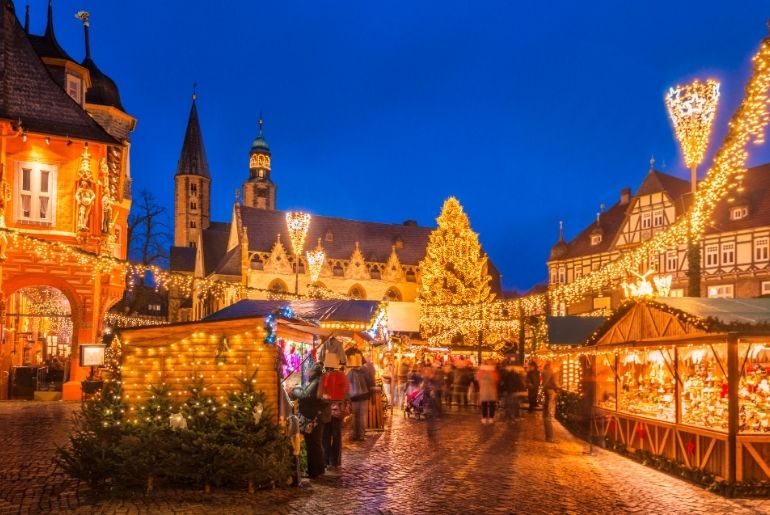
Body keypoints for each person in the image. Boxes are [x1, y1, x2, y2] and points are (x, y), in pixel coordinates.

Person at [292, 363, 329, 478]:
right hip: (316, 416)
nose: (308, 372)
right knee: (315, 443)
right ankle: (318, 469)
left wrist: (295, 389)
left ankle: (315, 471)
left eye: (310, 370)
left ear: (314, 372)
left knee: (313, 443)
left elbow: (304, 395)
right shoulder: (320, 381)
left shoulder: (316, 382)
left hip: (312, 417)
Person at [542, 361, 561, 443]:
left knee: (546, 414)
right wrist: (559, 387)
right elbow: (555, 383)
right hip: (551, 391)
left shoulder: (544, 371)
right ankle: (550, 437)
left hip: (546, 391)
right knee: (549, 415)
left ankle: (548, 436)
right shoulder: (553, 372)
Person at [476, 359, 499, 424]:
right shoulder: (494, 372)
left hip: (483, 390)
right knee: (492, 405)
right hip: (492, 390)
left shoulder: (480, 372)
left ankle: (484, 418)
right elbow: (497, 380)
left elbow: (477, 379)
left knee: (484, 405)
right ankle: (491, 418)